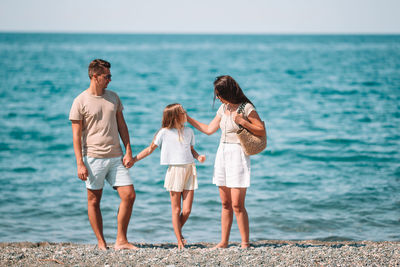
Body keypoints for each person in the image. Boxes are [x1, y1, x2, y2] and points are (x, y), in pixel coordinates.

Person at [186, 75, 266, 249]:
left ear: (227, 92)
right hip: (222, 153)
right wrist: (188, 119)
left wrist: (243, 121)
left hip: (238, 154)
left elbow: (261, 130)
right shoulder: (223, 108)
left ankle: (245, 243)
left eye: (219, 95)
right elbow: (208, 129)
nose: (218, 98)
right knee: (225, 203)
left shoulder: (246, 107)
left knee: (238, 204)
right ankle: (224, 242)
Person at [69, 59, 137, 251]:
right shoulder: (80, 101)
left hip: (116, 156)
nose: (110, 80)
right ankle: (101, 242)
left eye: (110, 76)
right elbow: (75, 136)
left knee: (129, 195)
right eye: (107, 76)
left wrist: (128, 150)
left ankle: (121, 240)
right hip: (93, 158)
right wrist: (79, 163)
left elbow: (122, 126)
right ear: (95, 76)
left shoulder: (113, 97)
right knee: (93, 200)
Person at [132, 103, 206, 249]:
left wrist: (198, 157)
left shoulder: (189, 131)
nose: (185, 114)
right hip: (175, 171)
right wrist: (134, 160)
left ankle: (178, 230)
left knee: (187, 210)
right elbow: (149, 149)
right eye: (182, 112)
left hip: (190, 169)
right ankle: (179, 241)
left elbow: (191, 149)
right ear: (174, 116)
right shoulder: (164, 133)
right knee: (176, 209)